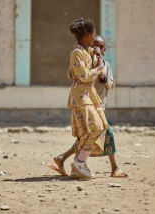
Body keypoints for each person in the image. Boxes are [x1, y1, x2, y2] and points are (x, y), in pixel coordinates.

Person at [47, 34, 128, 179]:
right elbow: (75, 74)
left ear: (104, 49)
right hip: (86, 104)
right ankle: (110, 167)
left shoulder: (105, 65)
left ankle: (67, 161)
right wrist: (93, 69)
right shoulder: (84, 59)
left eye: (101, 46)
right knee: (102, 132)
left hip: (99, 104)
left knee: (87, 135)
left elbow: (111, 84)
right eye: (94, 45)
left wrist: (103, 77)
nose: (97, 48)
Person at [49, 18, 107, 180]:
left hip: (88, 96)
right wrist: (99, 69)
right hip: (81, 97)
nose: (94, 39)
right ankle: (80, 161)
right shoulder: (76, 53)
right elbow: (84, 76)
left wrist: (97, 58)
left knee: (86, 132)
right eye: (93, 35)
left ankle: (77, 166)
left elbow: (92, 67)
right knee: (97, 127)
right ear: (88, 35)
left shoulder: (85, 53)